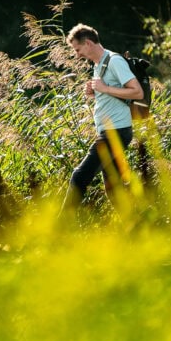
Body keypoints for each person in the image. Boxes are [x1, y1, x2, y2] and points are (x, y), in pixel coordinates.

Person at [61, 23, 143, 214]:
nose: (77, 55)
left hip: (116, 131)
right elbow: (112, 94)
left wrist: (104, 88)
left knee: (79, 177)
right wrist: (95, 93)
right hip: (111, 130)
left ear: (88, 43)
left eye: (78, 49)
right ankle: (139, 226)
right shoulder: (99, 65)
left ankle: (60, 228)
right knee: (114, 190)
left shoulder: (114, 61)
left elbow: (137, 92)